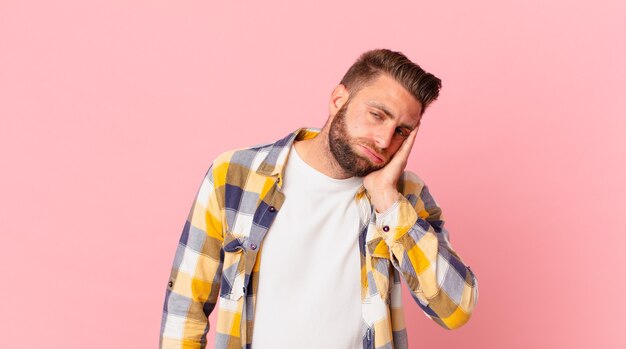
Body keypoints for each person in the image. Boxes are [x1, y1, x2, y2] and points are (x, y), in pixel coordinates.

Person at [159, 49, 478, 349]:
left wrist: (387, 202)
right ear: (339, 99)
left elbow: (455, 309)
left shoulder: (403, 196)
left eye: (401, 132)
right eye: (377, 115)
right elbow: (185, 306)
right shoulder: (235, 176)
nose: (384, 140)